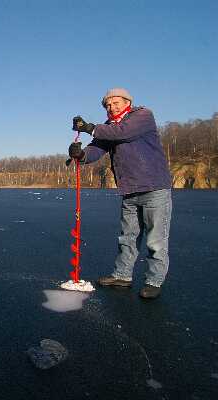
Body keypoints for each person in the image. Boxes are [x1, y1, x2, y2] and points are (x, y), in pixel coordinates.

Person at [69, 88, 172, 299]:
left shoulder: (142, 116)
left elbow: (122, 132)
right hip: (129, 189)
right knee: (128, 237)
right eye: (108, 105)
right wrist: (80, 154)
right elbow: (96, 149)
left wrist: (90, 127)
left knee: (156, 240)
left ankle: (154, 281)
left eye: (116, 102)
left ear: (127, 102)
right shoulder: (109, 127)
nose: (111, 107)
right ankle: (122, 276)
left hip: (154, 188)